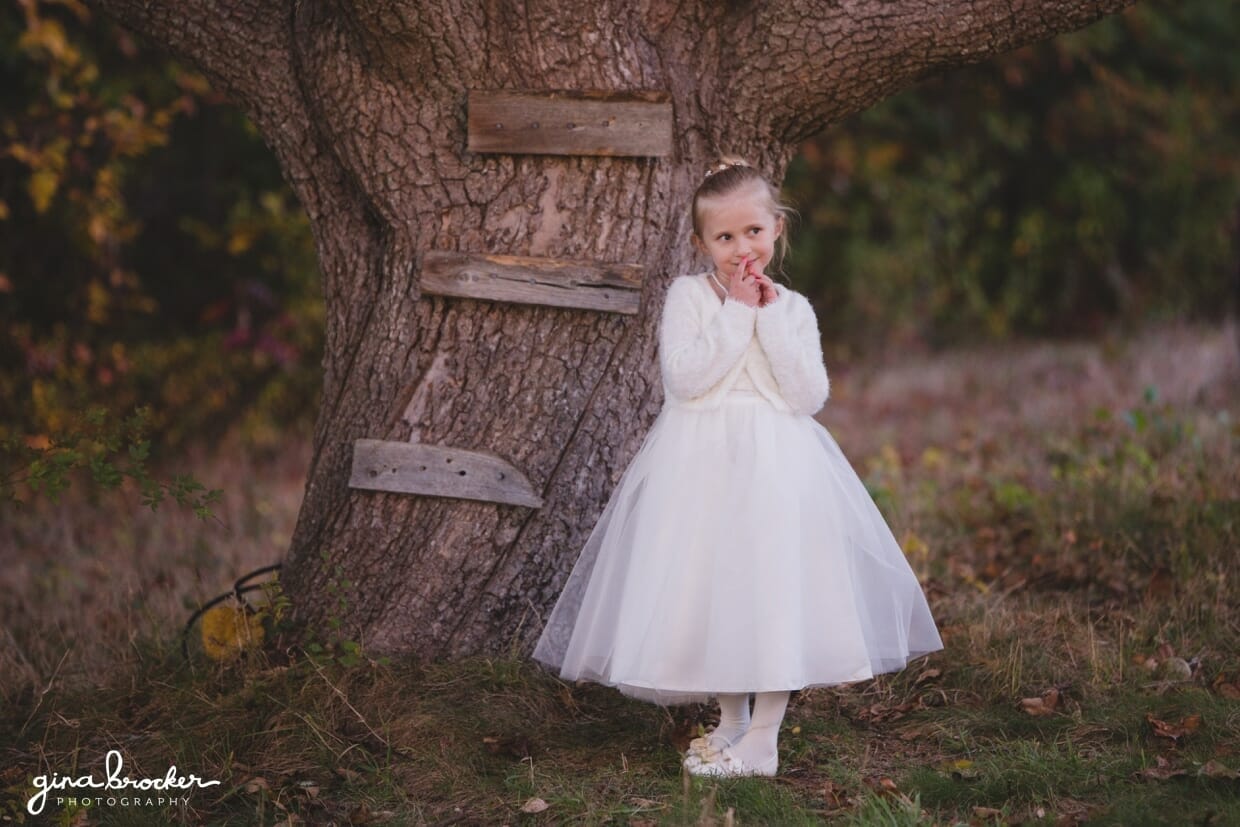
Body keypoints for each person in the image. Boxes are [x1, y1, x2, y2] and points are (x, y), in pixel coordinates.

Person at [531, 156, 943, 778]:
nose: (740, 248)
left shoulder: (794, 308)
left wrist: (767, 314)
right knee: (716, 589)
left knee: (774, 590)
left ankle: (764, 741)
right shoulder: (689, 297)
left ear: (776, 230)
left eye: (753, 232)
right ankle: (732, 720)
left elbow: (807, 395)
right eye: (724, 237)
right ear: (701, 243)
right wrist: (736, 312)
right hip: (702, 465)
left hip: (779, 467)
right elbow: (686, 379)